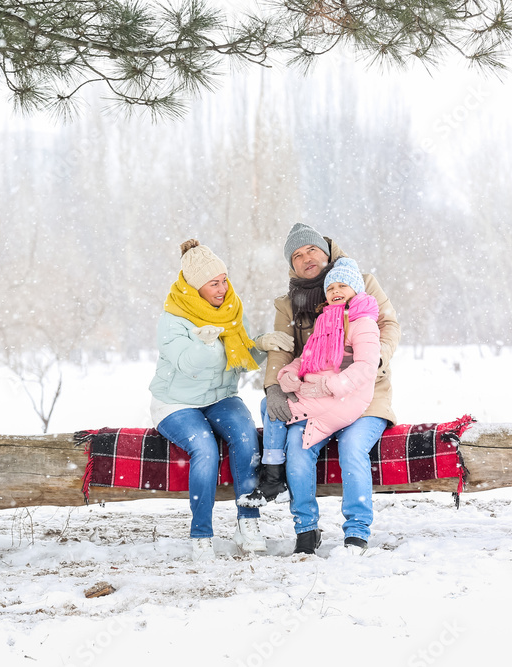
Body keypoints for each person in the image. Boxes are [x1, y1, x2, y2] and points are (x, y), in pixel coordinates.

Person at [149, 239, 294, 562]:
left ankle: (248, 523)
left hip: (220, 397)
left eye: (224, 279)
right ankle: (201, 533)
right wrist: (205, 342)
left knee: (245, 438)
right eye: (214, 283)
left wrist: (261, 344)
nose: (222, 288)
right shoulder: (172, 319)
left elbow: (239, 356)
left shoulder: (230, 310)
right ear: (195, 286)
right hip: (176, 403)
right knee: (205, 447)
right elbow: (188, 364)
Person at [263, 224, 400, 556]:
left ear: (325, 251)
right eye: (297, 256)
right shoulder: (289, 304)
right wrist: (274, 388)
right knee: (297, 445)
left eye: (311, 250)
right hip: (318, 396)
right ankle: (306, 531)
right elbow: (283, 348)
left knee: (353, 447)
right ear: (291, 265)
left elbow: (389, 325)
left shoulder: (361, 282)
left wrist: (366, 363)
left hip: (365, 396)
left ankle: (356, 532)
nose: (306, 258)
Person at [239, 258, 379, 507]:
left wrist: (330, 386)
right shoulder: (326, 321)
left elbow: (366, 367)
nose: (336, 291)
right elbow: (307, 358)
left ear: (356, 289)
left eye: (342, 286)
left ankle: (273, 477)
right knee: (272, 407)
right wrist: (289, 374)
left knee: (270, 409)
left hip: (343, 398)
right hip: (318, 393)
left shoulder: (363, 323)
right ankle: (277, 481)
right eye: (331, 288)